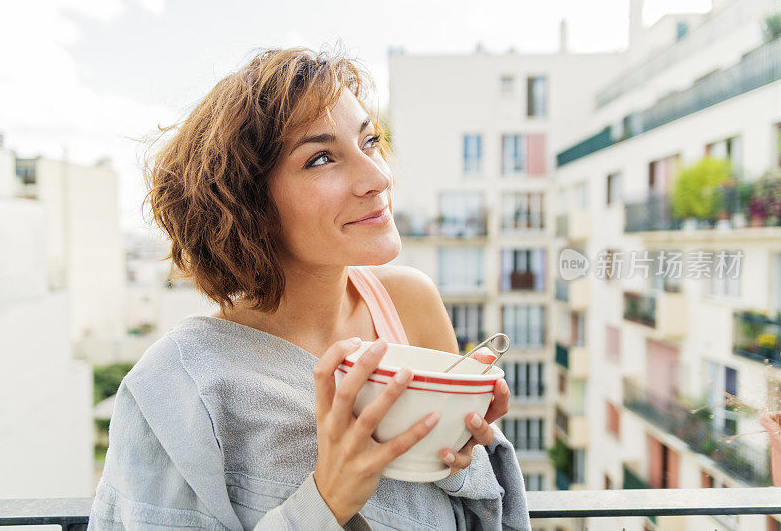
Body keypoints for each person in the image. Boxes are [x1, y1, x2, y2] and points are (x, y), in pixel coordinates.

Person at [88, 44, 531, 530]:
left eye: (369, 142)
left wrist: (458, 442)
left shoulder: (409, 303)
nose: (378, 177)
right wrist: (326, 500)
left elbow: (458, 498)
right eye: (322, 158)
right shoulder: (179, 387)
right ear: (246, 204)